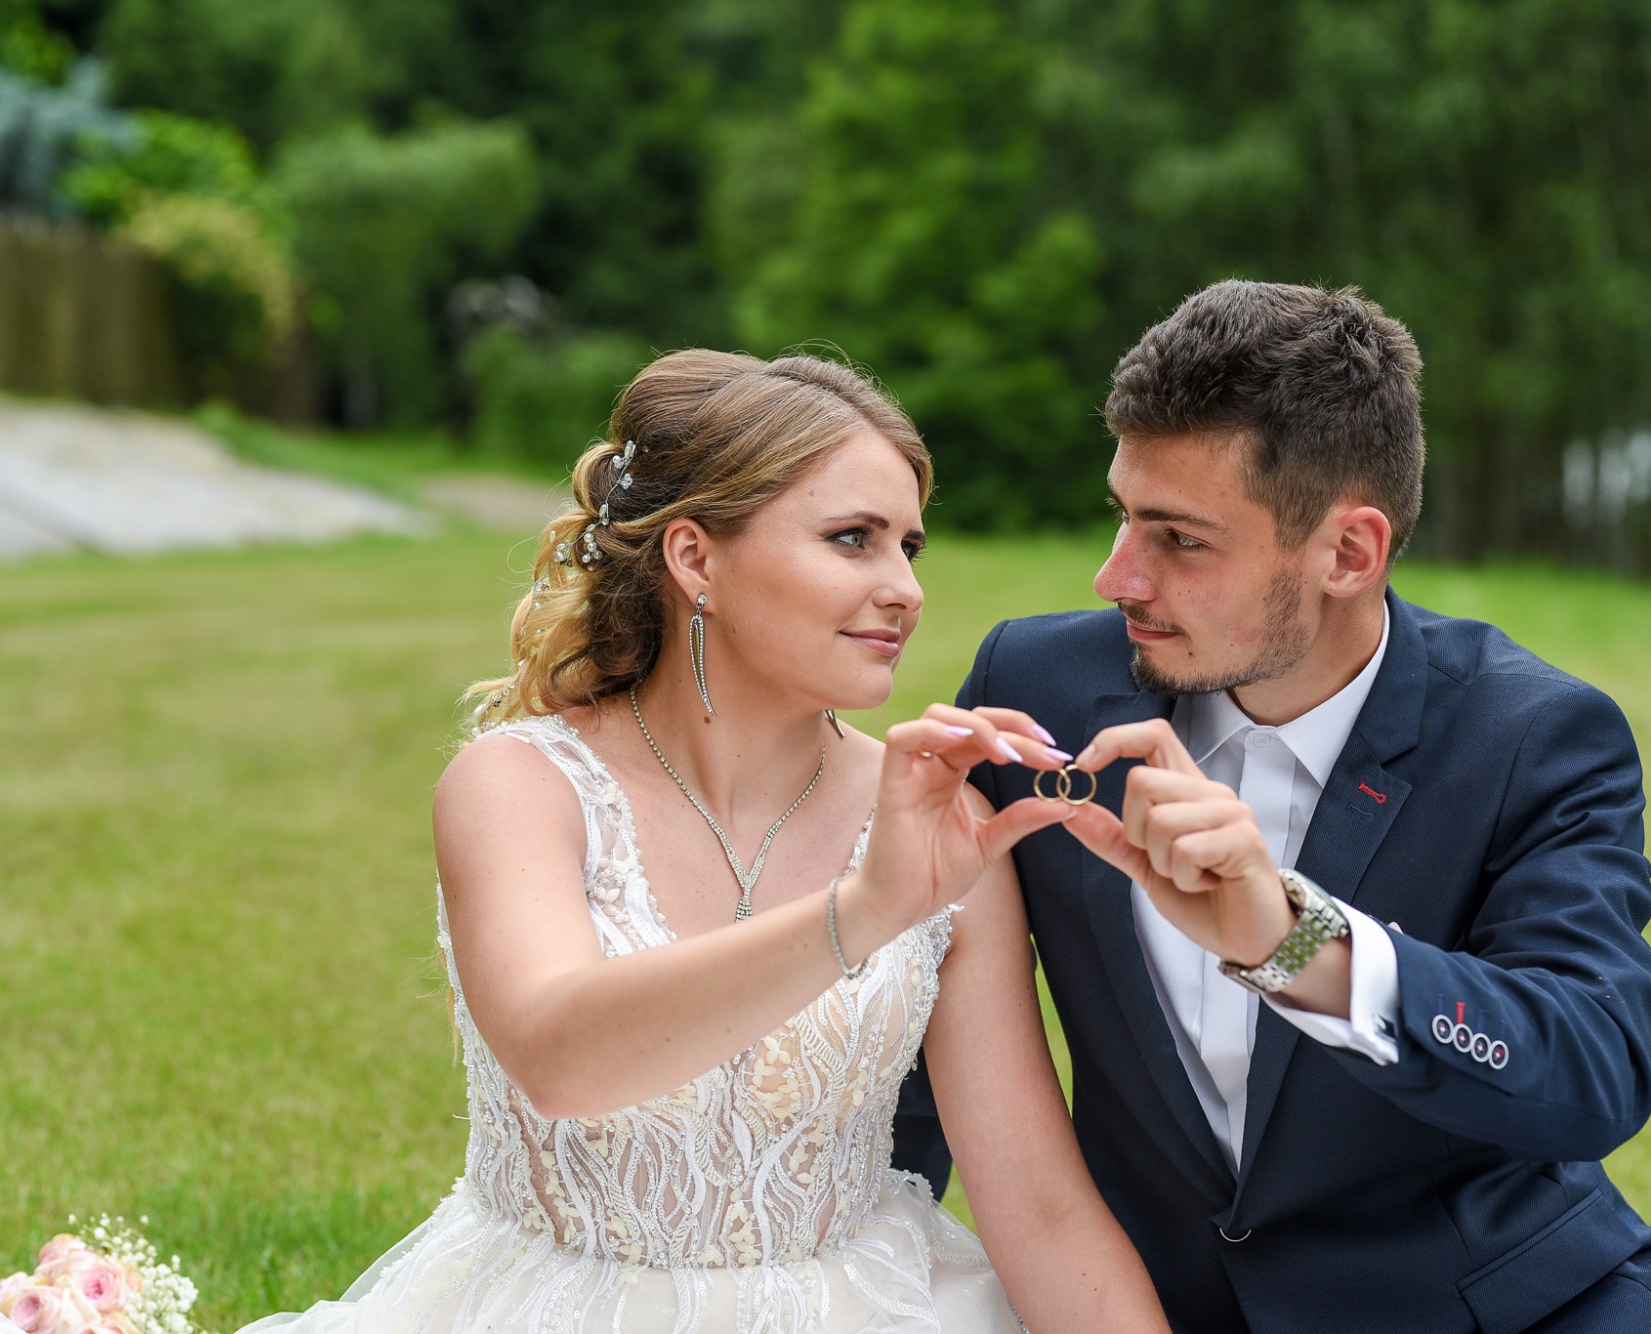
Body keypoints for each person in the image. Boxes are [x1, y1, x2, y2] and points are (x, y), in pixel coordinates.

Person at [235, 349, 1169, 1334]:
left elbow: (1040, 1207)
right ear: (694, 559)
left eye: (908, 546)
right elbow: (560, 1056)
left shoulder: (937, 823)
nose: (902, 587)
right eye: (851, 538)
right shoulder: (518, 785)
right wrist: (867, 907)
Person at [894, 280, 1651, 1333]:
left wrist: (1292, 942)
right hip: (1159, 1304)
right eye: (1121, 517)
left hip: (1493, 1306)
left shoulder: (1530, 738)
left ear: (1347, 553)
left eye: (1179, 539)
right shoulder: (1038, 687)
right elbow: (924, 1008)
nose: (1116, 577)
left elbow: (1590, 1068)